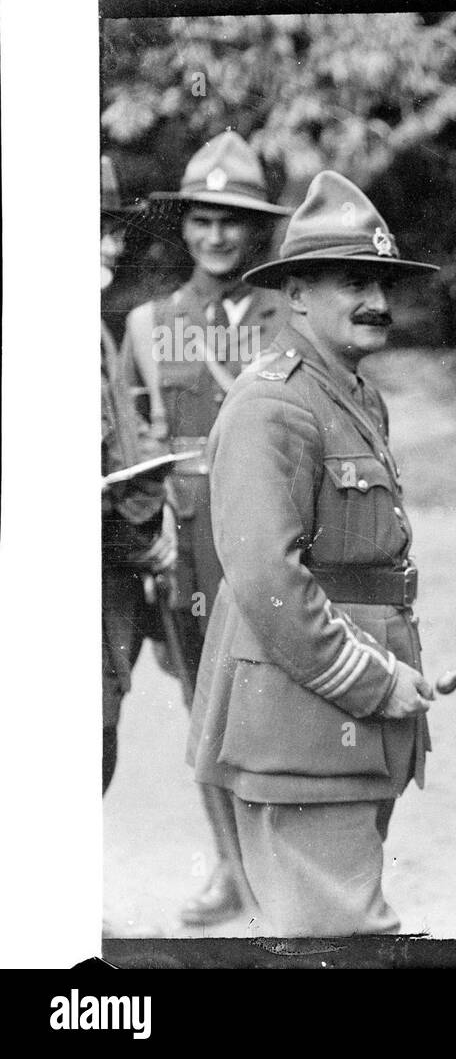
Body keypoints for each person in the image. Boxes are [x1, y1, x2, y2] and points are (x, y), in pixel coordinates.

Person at [186, 171, 438, 936]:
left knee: (329, 935)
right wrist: (371, 682)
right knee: (342, 940)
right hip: (304, 724)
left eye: (384, 284)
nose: (379, 303)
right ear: (295, 294)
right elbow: (267, 579)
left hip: (347, 729)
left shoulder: (353, 393)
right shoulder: (273, 402)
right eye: (354, 283)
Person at [120, 130, 292, 927]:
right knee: (206, 711)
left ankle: (281, 870)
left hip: (275, 540)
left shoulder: (291, 319)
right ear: (183, 226)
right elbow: (131, 447)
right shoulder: (148, 325)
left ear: (256, 228)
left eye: (233, 221)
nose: (217, 236)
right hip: (186, 546)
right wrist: (147, 531)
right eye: (202, 220)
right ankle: (231, 868)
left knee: (282, 708)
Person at [101, 155, 175, 797]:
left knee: (100, 744)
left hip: (111, 596)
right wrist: (135, 536)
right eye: (96, 228)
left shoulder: (97, 334)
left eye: (114, 227)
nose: (113, 242)